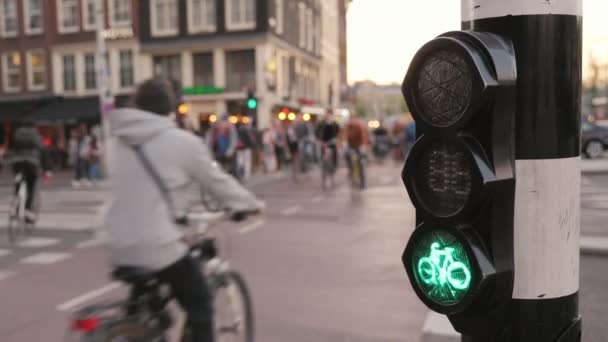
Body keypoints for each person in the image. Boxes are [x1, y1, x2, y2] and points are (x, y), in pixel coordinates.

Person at [106, 78, 263, 342]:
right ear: (170, 108)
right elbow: (217, 181)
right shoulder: (182, 142)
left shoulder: (115, 142)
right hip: (157, 245)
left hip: (118, 243)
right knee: (200, 305)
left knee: (146, 311)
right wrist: (249, 203)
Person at [6, 119, 44, 223]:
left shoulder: (16, 133)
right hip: (31, 162)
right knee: (31, 186)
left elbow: (11, 147)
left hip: (17, 162)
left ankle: (15, 203)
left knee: (18, 182)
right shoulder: (35, 134)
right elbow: (42, 149)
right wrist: (47, 167)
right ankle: (27, 210)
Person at [339, 115, 369, 189]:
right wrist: (342, 144)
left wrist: (363, 146)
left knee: (360, 163)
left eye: (353, 119)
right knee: (347, 155)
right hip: (350, 146)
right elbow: (342, 136)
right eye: (350, 119)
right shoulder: (347, 127)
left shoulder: (359, 127)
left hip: (359, 145)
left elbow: (364, 137)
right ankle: (350, 169)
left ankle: (363, 183)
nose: (352, 121)